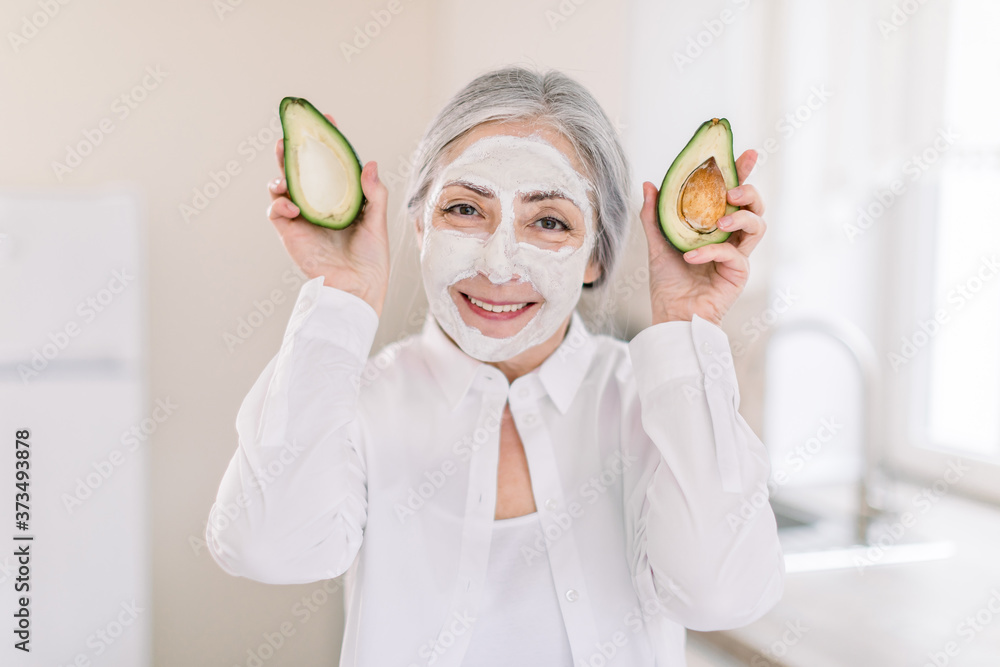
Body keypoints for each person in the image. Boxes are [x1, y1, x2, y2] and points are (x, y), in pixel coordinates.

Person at [206, 65, 784, 667]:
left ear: (595, 256)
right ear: (419, 226)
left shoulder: (654, 404)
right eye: (463, 210)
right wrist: (341, 298)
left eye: (551, 222)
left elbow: (721, 595)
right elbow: (266, 549)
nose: (500, 264)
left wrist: (685, 328)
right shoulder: (360, 400)